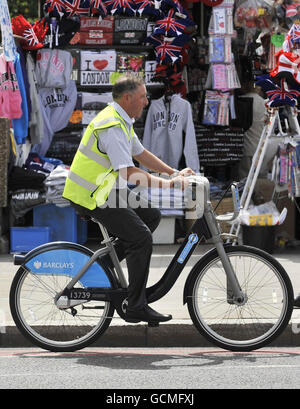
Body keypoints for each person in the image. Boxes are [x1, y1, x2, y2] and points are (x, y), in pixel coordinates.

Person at [63, 74, 195, 323]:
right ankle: (135, 305)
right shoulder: (112, 125)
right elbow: (129, 172)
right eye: (143, 97)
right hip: (91, 194)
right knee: (141, 237)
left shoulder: (122, 120)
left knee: (151, 216)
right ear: (127, 98)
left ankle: (101, 265)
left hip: (104, 188)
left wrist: (173, 172)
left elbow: (140, 154)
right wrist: (169, 185)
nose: (146, 101)